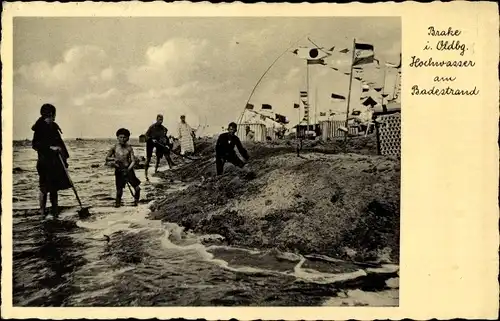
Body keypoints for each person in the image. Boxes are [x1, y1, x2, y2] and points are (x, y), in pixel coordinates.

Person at [32, 104, 73, 220]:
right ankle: (42, 213)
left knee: (54, 188)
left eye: (54, 115)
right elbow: (35, 145)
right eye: (52, 115)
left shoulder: (53, 126)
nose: (54, 118)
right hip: (44, 163)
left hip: (56, 162)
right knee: (44, 188)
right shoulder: (39, 128)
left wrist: (64, 159)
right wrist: (50, 147)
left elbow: (60, 143)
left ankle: (55, 212)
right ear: (47, 115)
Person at [106, 128, 141, 207]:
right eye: (120, 137)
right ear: (117, 137)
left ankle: (136, 203)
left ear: (128, 138)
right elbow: (107, 158)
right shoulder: (114, 147)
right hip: (119, 170)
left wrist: (128, 169)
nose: (122, 139)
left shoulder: (129, 148)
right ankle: (117, 206)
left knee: (137, 188)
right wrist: (114, 160)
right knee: (119, 191)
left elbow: (133, 161)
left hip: (128, 169)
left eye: (124, 137)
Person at [144, 114, 175, 180]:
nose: (160, 121)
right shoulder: (152, 127)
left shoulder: (163, 128)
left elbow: (164, 137)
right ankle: (145, 173)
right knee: (148, 158)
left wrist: (167, 144)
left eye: (161, 120)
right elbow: (146, 135)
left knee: (163, 155)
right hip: (150, 142)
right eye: (159, 120)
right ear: (157, 119)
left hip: (159, 143)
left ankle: (158, 169)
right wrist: (151, 139)